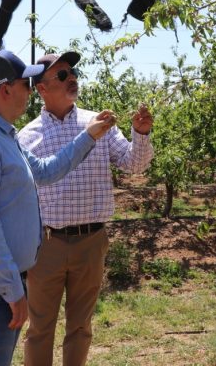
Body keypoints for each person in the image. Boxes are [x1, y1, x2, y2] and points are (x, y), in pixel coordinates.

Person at [0, 50, 116, 366]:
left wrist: (89, 135)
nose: (31, 89)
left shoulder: (3, 135)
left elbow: (46, 171)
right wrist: (11, 289)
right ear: (6, 90)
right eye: (26, 83)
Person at [18, 51, 154, 366]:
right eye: (62, 75)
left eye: (73, 72)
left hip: (92, 242)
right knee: (40, 328)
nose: (72, 78)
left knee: (81, 327)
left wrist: (141, 134)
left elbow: (134, 165)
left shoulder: (98, 124)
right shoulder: (28, 136)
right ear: (42, 88)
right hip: (46, 245)